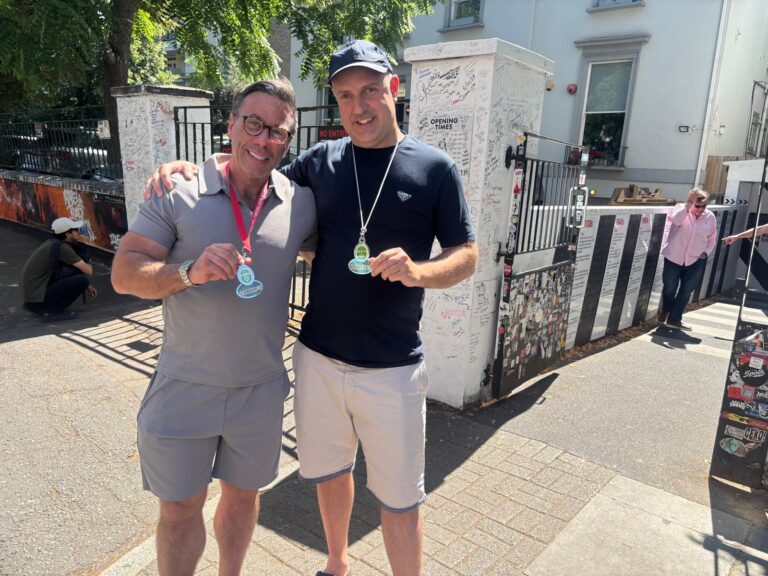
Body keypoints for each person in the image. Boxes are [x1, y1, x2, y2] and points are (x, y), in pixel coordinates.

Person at [146, 40, 478, 576]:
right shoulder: (320, 162)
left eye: (371, 90)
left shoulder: (435, 168)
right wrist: (189, 166)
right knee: (328, 472)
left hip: (392, 366)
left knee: (399, 498)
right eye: (345, 95)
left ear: (394, 90)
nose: (359, 106)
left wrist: (420, 272)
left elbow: (468, 254)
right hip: (318, 358)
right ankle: (337, 564)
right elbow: (253, 171)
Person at [111, 78, 316, 576]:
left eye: (278, 132)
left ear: (288, 141)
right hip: (185, 388)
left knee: (244, 501)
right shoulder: (177, 192)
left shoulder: (301, 202)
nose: (263, 139)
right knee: (180, 510)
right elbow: (123, 274)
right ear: (230, 124)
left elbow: (335, 246)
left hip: (261, 391)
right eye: (253, 123)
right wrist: (188, 272)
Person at [658, 188, 717, 330]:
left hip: (696, 260)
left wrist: (706, 252)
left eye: (704, 206)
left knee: (686, 291)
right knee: (669, 287)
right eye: (698, 206)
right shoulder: (680, 209)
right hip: (674, 256)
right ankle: (665, 310)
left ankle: (674, 318)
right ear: (691, 202)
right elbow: (676, 221)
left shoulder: (710, 217)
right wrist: (688, 204)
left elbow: (712, 238)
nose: (701, 209)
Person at [21, 217, 97, 320]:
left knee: (81, 279)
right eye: (76, 230)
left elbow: (61, 271)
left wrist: (88, 285)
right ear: (67, 234)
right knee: (82, 280)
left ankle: (49, 308)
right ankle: (52, 311)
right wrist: (89, 264)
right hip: (38, 300)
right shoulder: (62, 248)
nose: (79, 232)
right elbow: (88, 270)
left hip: (33, 299)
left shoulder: (52, 242)